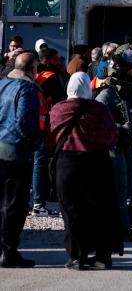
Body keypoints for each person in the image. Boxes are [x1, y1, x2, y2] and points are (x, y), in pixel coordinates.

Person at [49, 72, 122, 270]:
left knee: (71, 212)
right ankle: (102, 256)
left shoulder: (57, 110)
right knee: (100, 210)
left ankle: (76, 256)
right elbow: (112, 136)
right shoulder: (99, 110)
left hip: (67, 165)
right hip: (97, 163)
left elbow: (51, 135)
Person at [95, 52, 132, 240]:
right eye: (130, 68)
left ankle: (130, 216)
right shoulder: (108, 92)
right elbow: (100, 120)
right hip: (120, 144)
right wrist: (123, 129)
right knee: (122, 188)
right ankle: (120, 225)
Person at [0, 53, 41, 268]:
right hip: (15, 152)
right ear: (33, 69)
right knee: (14, 205)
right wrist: (35, 141)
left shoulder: (3, 84)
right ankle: (8, 251)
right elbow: (25, 123)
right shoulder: (28, 90)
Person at [31, 48, 67, 217]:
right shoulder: (51, 78)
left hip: (25, 126)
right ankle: (39, 202)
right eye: (56, 60)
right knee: (40, 163)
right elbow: (59, 103)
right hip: (43, 126)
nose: (59, 62)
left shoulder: (32, 76)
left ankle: (33, 201)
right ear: (47, 61)